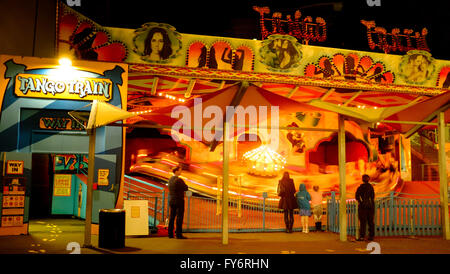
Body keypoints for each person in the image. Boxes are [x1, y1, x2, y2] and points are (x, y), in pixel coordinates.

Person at [167, 166, 189, 239]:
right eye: (180, 170)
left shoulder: (170, 179)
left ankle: (170, 234)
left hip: (172, 200)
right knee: (179, 217)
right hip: (179, 200)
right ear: (176, 171)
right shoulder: (179, 180)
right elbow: (186, 188)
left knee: (172, 217)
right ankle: (179, 234)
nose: (181, 172)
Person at [355, 174, 375, 241]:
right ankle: (371, 236)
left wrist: (361, 202)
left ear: (362, 179)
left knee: (363, 222)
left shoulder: (360, 188)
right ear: (368, 179)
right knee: (370, 221)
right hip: (370, 206)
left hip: (362, 207)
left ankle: (362, 236)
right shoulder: (371, 187)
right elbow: (372, 196)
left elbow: (357, 196)